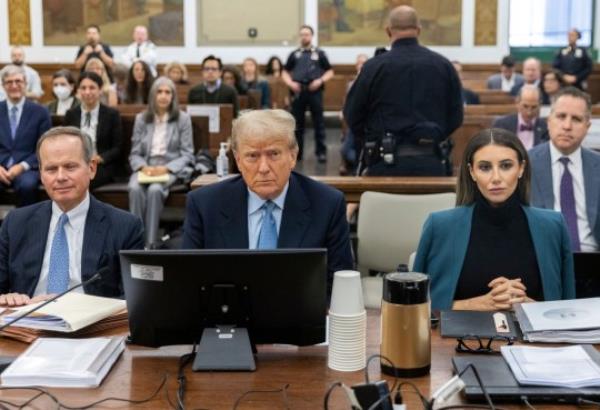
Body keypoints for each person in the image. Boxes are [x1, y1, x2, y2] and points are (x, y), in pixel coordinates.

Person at [182, 109, 353, 288]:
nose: (263, 167)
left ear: (293, 156)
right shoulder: (205, 205)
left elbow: (341, 285)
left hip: (300, 315)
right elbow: (188, 281)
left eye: (274, 154)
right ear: (238, 160)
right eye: (252, 156)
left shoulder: (327, 205)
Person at [413, 128, 575, 311]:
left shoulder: (553, 226)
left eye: (506, 166)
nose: (496, 178)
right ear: (471, 172)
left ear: (521, 168)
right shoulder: (439, 226)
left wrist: (531, 308)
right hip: (458, 338)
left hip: (532, 339)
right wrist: (475, 304)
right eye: (485, 167)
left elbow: (568, 313)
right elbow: (413, 307)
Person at [0, 126, 144, 306]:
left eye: (70, 167)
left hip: (90, 327)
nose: (60, 177)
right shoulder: (15, 222)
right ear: (41, 175)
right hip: (27, 324)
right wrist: (6, 299)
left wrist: (76, 308)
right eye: (51, 169)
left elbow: (134, 299)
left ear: (91, 168)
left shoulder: (125, 226)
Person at [344, 5, 463, 176]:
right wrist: (431, 136)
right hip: (432, 164)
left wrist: (374, 138)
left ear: (388, 31)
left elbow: (352, 114)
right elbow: (456, 117)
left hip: (384, 164)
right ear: (419, 30)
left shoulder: (374, 67)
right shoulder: (444, 66)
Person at [529, 87, 600, 252]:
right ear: (549, 121)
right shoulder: (525, 164)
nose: (567, 126)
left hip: (594, 264)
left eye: (576, 119)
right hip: (544, 261)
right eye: (561, 116)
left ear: (587, 126)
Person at [129, 77, 194, 247]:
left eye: (168, 92)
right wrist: (144, 167)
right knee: (134, 188)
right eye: (159, 92)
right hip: (146, 165)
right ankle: (136, 241)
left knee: (155, 190)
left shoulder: (183, 119)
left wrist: (165, 168)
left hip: (170, 167)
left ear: (173, 96)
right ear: (153, 95)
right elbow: (134, 153)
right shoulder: (142, 119)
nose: (163, 96)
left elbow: (187, 154)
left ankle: (150, 243)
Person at [0, 65, 51, 206]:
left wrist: (22, 166)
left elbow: (44, 147)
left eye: (18, 81)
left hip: (28, 167)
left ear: (25, 84)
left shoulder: (40, 112)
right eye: (9, 82)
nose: (14, 85)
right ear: (3, 86)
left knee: (27, 186)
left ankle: (25, 226)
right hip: (1, 167)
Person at [282, 25, 334, 163]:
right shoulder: (294, 54)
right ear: (299, 36)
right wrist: (290, 83)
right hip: (298, 91)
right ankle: (297, 154)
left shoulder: (319, 53)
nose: (304, 37)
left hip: (314, 91)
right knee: (297, 124)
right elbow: (285, 72)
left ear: (312, 36)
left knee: (319, 123)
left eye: (307, 34)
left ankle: (321, 153)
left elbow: (330, 71)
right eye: (302, 34)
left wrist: (320, 80)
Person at [64, 72, 122, 190]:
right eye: (83, 88)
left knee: (84, 179)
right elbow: (65, 142)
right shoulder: (71, 114)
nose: (87, 92)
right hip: (76, 163)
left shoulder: (112, 115)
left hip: (102, 165)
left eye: (92, 88)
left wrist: (99, 158)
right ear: (78, 91)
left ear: (100, 90)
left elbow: (117, 148)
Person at [492, 85, 548, 150]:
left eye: (534, 107)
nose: (529, 112)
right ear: (517, 103)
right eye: (525, 106)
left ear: (540, 105)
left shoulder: (545, 127)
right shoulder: (501, 125)